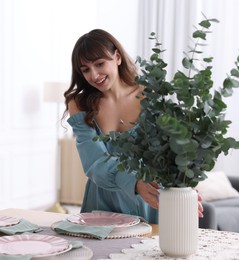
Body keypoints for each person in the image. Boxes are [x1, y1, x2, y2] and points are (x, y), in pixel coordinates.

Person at [62, 29, 203, 223]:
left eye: (99, 64)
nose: (94, 75)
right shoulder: (79, 104)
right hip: (103, 201)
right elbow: (94, 163)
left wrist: (184, 187)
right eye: (85, 69)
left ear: (117, 57)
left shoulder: (151, 95)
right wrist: (135, 182)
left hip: (152, 197)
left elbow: (171, 150)